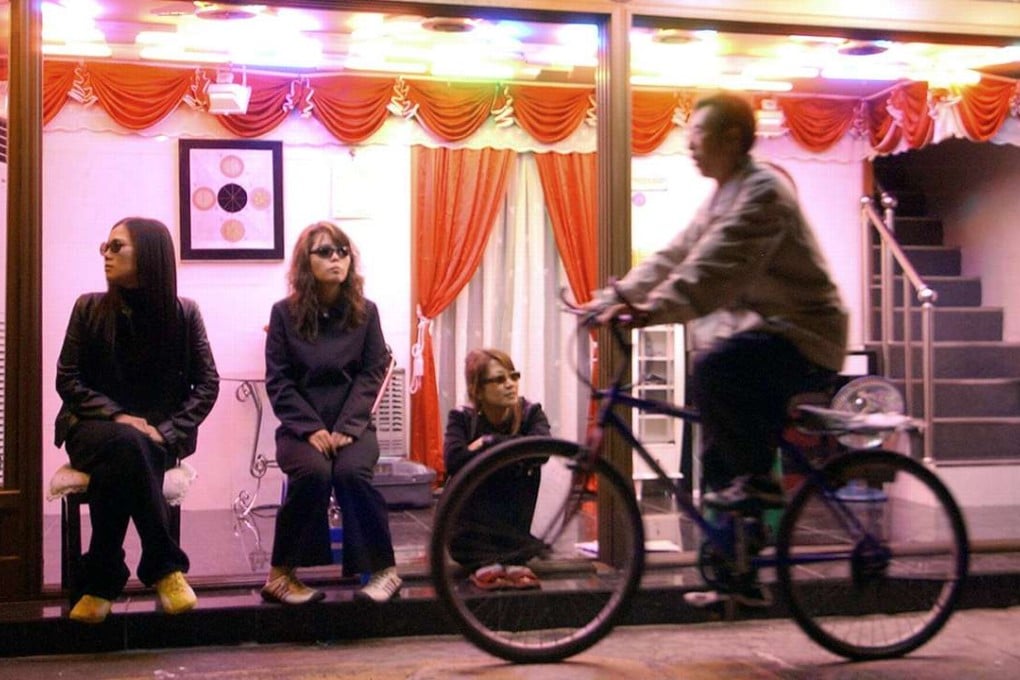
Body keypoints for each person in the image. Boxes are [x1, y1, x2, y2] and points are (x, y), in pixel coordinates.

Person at [587, 93, 848, 603]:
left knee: (714, 368)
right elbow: (674, 255)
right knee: (717, 451)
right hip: (766, 334)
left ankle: (760, 484)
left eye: (698, 134)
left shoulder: (763, 193)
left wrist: (651, 310)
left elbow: (713, 270)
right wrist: (609, 299)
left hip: (805, 336)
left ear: (732, 138)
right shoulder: (722, 196)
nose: (690, 145)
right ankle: (736, 578)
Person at [55, 217, 220, 624]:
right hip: (90, 427)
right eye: (105, 246)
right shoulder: (88, 307)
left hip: (157, 436)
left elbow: (207, 385)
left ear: (148, 254)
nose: (106, 255)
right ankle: (165, 567)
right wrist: (119, 416)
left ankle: (101, 580)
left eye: (117, 246)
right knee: (128, 442)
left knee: (126, 456)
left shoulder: (185, 313)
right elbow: (68, 379)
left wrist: (166, 431)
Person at [262, 221, 401, 605]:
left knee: (352, 473)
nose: (336, 258)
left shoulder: (366, 312)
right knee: (314, 473)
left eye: (342, 252)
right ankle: (280, 575)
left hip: (352, 425)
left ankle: (384, 571)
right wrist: (310, 428)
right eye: (325, 252)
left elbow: (372, 373)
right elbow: (278, 380)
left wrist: (348, 427)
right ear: (305, 262)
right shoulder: (284, 314)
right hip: (300, 428)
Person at [443, 349, 551, 590]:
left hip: (513, 523)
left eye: (514, 376)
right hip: (470, 532)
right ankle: (484, 560)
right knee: (507, 460)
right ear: (478, 390)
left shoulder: (530, 413)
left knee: (519, 462)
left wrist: (487, 442)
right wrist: (515, 449)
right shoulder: (461, 418)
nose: (510, 384)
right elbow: (453, 460)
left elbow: (542, 449)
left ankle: (512, 558)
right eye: (500, 379)